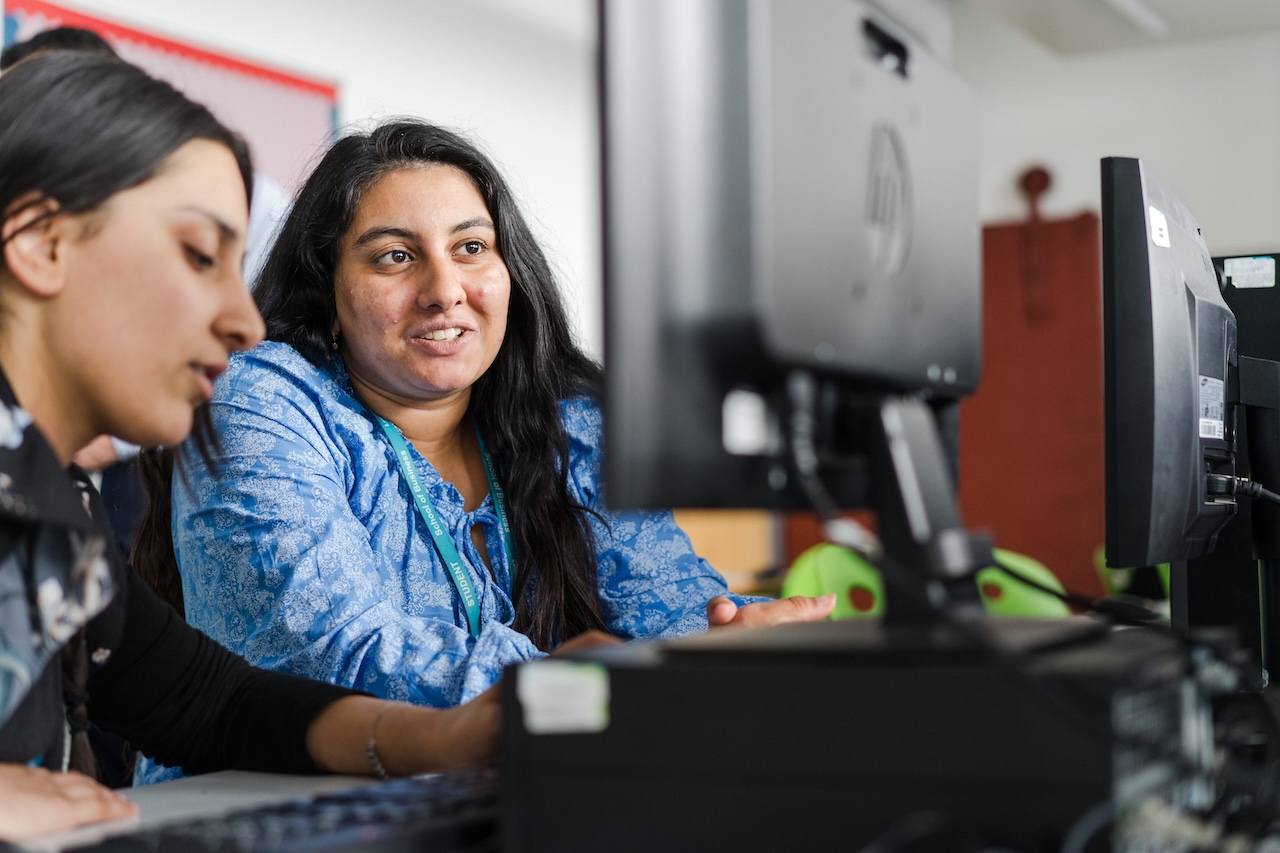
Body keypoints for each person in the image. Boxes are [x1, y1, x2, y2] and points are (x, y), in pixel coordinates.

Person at [136, 119, 834, 732]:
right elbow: (332, 653)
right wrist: (602, 679)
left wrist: (744, 633)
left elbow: (670, 604)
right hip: (273, 809)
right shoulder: (259, 399)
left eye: (471, 248)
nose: (445, 290)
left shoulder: (569, 422)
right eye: (395, 256)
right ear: (327, 294)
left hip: (500, 793)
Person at [0, 54, 498, 843]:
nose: (245, 321)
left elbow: (203, 699)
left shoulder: (55, 502)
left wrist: (441, 735)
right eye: (200, 257)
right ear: (40, 241)